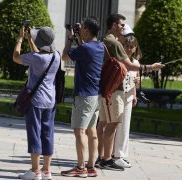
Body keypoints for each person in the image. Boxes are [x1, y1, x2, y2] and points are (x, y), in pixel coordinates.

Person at [96, 14, 164, 171]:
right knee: (112, 125)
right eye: (121, 25)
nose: (123, 27)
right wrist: (151, 67)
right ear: (113, 25)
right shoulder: (114, 43)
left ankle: (101, 157)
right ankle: (107, 159)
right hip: (116, 89)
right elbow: (128, 65)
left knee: (105, 124)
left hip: (106, 88)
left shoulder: (104, 40)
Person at [13, 26, 60, 180]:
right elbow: (38, 53)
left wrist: (20, 39)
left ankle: (35, 171)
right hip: (50, 101)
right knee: (47, 134)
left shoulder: (37, 58)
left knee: (35, 133)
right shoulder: (56, 56)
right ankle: (46, 170)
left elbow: (16, 57)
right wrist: (30, 39)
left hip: (36, 101)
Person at [60, 17, 104, 178]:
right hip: (95, 95)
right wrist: (78, 38)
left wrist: (71, 38)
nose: (81, 30)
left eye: (83, 28)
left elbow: (64, 56)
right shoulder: (99, 46)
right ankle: (91, 167)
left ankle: (80, 167)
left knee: (79, 131)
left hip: (84, 95)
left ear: (87, 30)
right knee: (92, 131)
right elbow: (85, 50)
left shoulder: (85, 48)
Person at [112, 25, 141, 168]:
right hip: (117, 96)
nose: (129, 49)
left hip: (128, 97)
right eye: (126, 46)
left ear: (135, 48)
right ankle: (113, 153)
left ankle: (121, 154)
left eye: (131, 47)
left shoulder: (136, 63)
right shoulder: (120, 60)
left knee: (124, 127)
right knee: (114, 125)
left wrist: (135, 93)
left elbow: (134, 81)